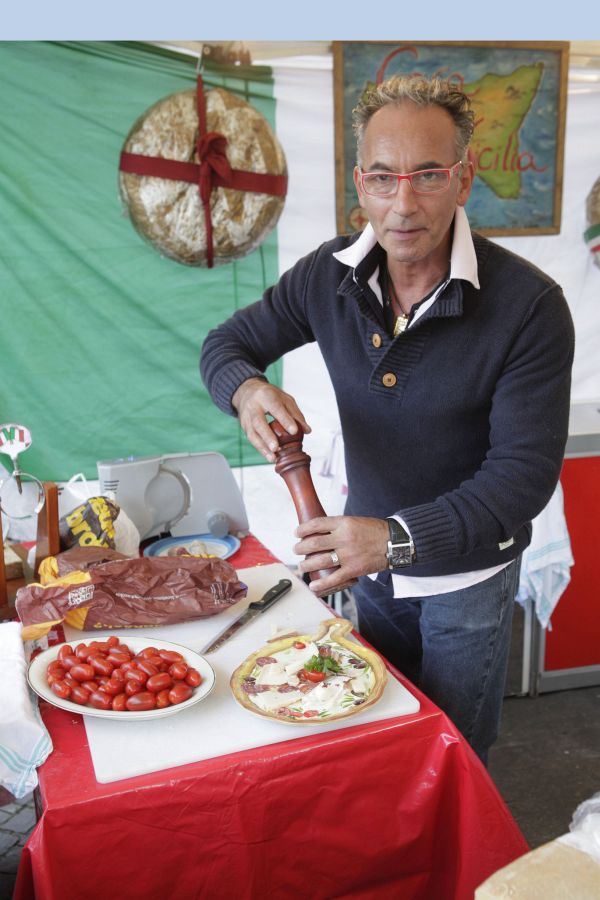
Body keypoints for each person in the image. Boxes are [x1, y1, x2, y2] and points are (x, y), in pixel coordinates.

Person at [200, 74, 575, 763]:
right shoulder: (326, 276)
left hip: (465, 580)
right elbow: (226, 344)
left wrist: (394, 539)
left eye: (428, 175)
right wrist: (246, 389)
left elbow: (522, 478)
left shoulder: (529, 305)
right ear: (360, 184)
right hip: (369, 572)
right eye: (383, 178)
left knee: (453, 756)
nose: (403, 204)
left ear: (463, 180)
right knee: (379, 743)